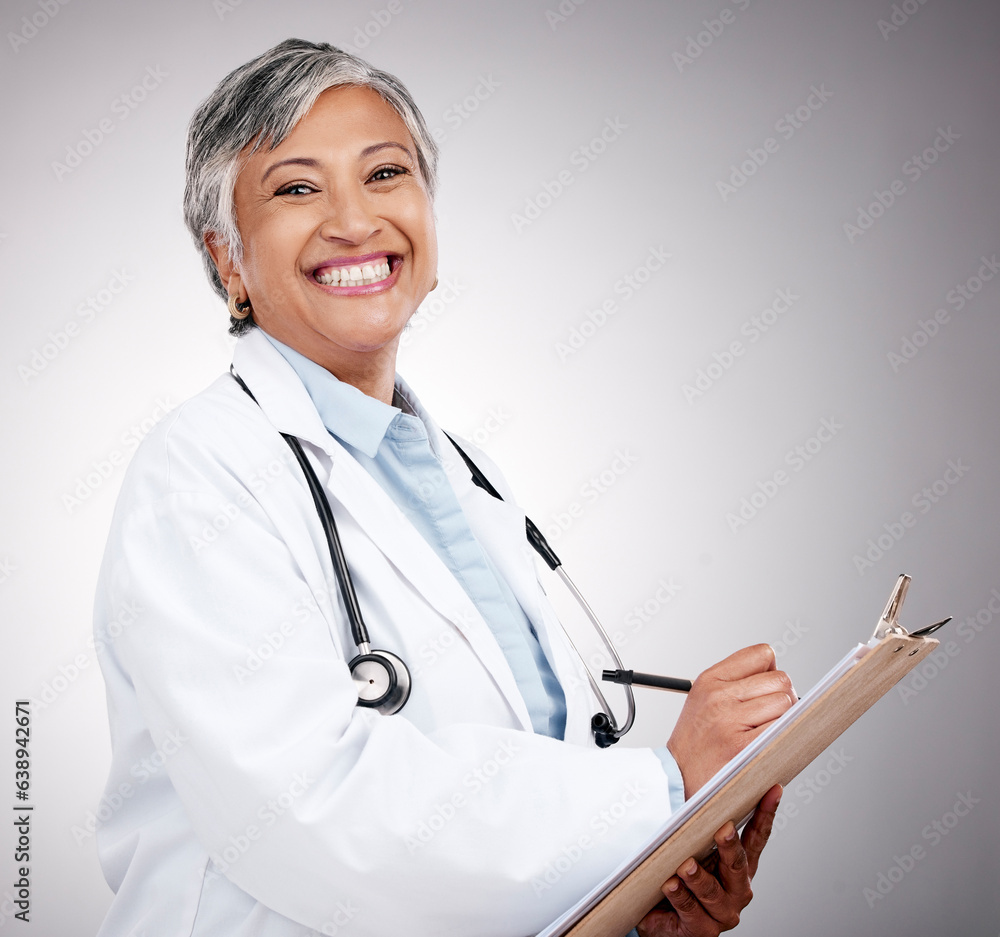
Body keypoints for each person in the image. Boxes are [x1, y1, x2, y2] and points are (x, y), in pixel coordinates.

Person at [92, 38, 795, 937]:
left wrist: (644, 895)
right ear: (228, 260)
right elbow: (316, 818)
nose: (355, 221)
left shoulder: (454, 470)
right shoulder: (196, 477)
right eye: (297, 188)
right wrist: (664, 786)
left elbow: (523, 775)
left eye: (386, 173)